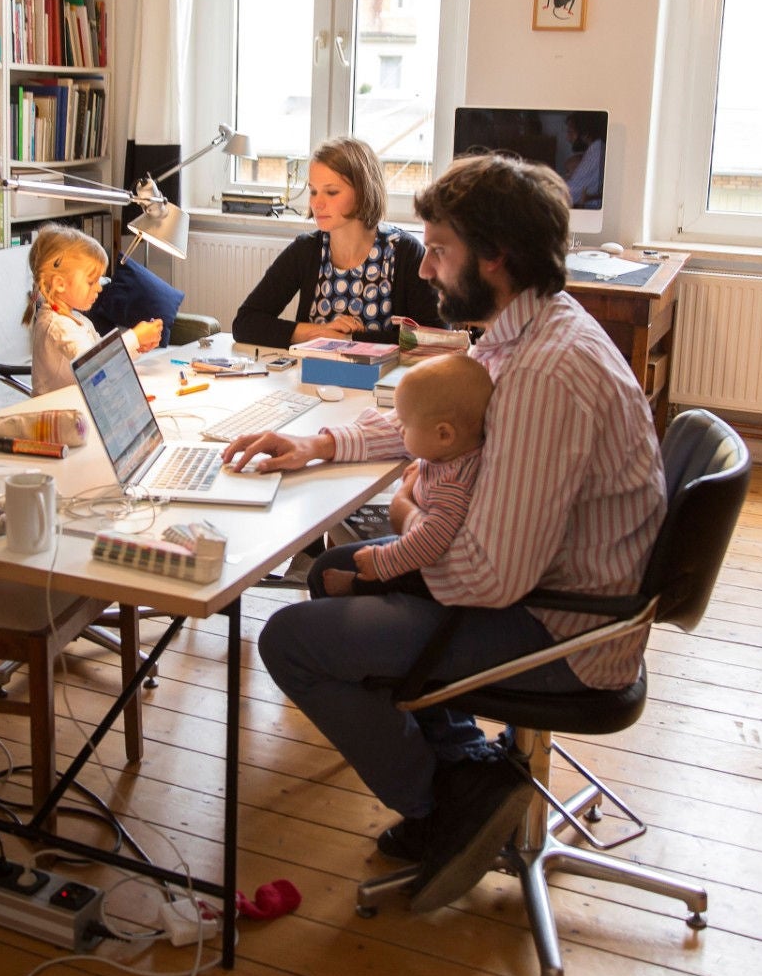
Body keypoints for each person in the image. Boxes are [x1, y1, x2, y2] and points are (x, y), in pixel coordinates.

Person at [223, 152, 664, 911]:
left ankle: (448, 806)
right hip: (557, 593)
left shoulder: (547, 375)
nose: (425, 269)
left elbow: (491, 578)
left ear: (495, 258)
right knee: (347, 566)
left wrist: (405, 526)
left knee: (293, 637)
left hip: (563, 633)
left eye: (440, 250)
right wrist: (322, 446)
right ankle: (467, 767)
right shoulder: (524, 330)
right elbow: (438, 430)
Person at [232, 137, 443, 349]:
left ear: (363, 192)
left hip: (383, 381)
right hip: (311, 378)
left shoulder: (405, 252)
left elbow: (434, 338)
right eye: (313, 191)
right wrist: (318, 333)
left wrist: (349, 340)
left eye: (331, 192)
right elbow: (245, 323)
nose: (317, 203)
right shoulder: (306, 250)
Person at [318, 352, 493, 600]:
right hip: (417, 535)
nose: (402, 430)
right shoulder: (450, 456)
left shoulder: (454, 486)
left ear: (443, 435)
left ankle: (359, 585)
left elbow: (431, 540)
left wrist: (382, 560)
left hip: (435, 575)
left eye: (407, 425)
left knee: (408, 575)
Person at [25, 225, 162, 394]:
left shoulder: (78, 320)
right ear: (59, 284)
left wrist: (137, 346)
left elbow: (103, 357)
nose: (99, 288)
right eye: (91, 282)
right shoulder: (57, 325)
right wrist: (134, 337)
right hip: (58, 414)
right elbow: (94, 363)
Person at [562, 111, 604, 210]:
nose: (568, 138)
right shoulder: (595, 150)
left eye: (571, 132)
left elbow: (569, 193)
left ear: (585, 134)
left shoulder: (595, 153)